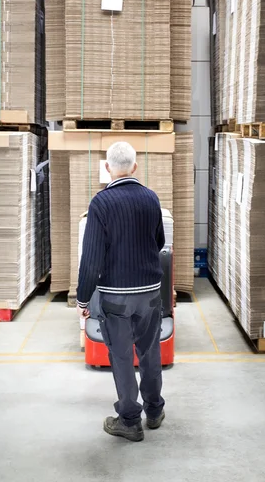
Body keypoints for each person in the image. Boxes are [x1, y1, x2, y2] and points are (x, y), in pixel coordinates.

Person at [76, 141, 166, 442]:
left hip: (115, 296)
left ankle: (129, 421)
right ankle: (154, 411)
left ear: (107, 168)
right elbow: (159, 242)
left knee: (123, 357)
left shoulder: (101, 203)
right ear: (135, 167)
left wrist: (83, 298)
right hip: (151, 293)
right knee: (150, 353)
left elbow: (91, 258)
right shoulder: (151, 199)